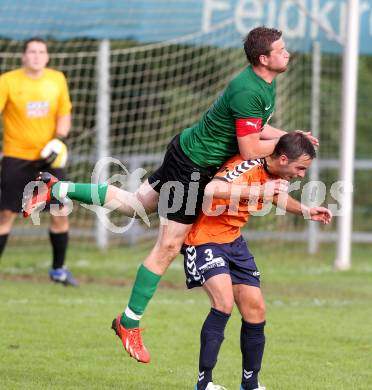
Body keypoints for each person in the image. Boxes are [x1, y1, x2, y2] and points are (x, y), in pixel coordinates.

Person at [23, 27, 318, 362]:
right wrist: (285, 145)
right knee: (168, 245)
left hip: (187, 151)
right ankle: (128, 322)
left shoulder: (263, 83)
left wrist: (289, 135)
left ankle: (57, 187)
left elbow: (256, 127)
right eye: (281, 49)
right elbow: (250, 147)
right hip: (194, 167)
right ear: (264, 59)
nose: (287, 53)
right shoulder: (249, 90)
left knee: (135, 205)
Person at [181, 133, 332, 390]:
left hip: (234, 242)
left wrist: (306, 211)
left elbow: (275, 197)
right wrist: (259, 190)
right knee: (223, 302)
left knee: (256, 309)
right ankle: (204, 384)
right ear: (283, 159)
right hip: (204, 239)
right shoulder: (248, 163)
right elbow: (212, 189)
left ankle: (250, 384)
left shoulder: (276, 174)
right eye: (300, 168)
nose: (301, 175)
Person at [0, 37, 77, 286]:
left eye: (41, 51)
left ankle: (58, 270)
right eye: (31, 51)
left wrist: (58, 140)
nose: (36, 55)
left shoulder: (57, 79)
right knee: (6, 214)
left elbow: (64, 115)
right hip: (16, 156)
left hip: (49, 158)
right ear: (23, 56)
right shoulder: (8, 81)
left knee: (61, 210)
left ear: (47, 56)